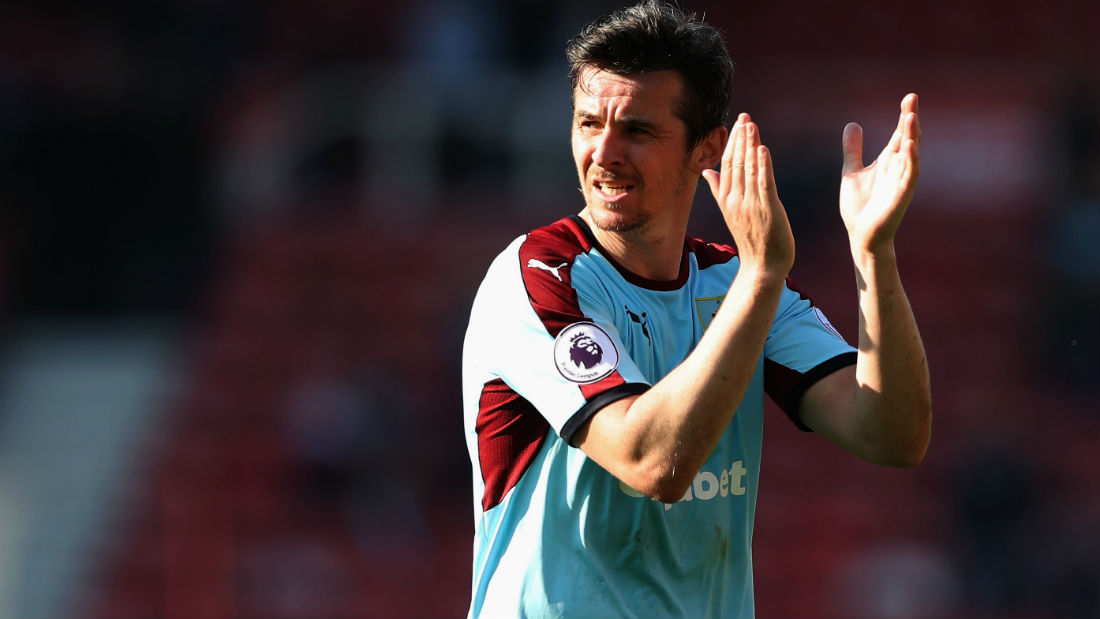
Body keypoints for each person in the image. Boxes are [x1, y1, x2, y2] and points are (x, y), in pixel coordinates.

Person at [460, 1, 931, 617]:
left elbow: (891, 434)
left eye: (637, 131)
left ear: (706, 148)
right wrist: (760, 277)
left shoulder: (735, 282)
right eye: (588, 124)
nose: (604, 152)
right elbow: (649, 460)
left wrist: (874, 252)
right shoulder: (538, 277)